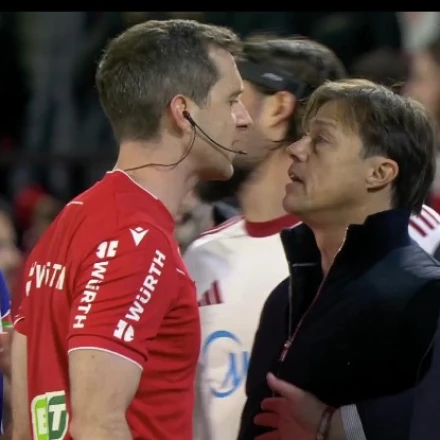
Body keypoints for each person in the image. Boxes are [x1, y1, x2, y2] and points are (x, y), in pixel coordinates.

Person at [11, 19, 251, 440]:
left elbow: (25, 420)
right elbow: (97, 423)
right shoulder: (134, 238)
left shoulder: (72, 221)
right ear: (184, 113)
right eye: (231, 100)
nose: (244, 118)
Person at [238, 78, 440, 440]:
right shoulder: (284, 296)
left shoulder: (425, 293)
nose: (295, 150)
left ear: (379, 173)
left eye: (321, 140)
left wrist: (337, 426)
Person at [184, 36, 347, 440]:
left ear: (277, 110)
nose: (207, 123)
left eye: (233, 99)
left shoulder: (353, 251)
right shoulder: (201, 257)